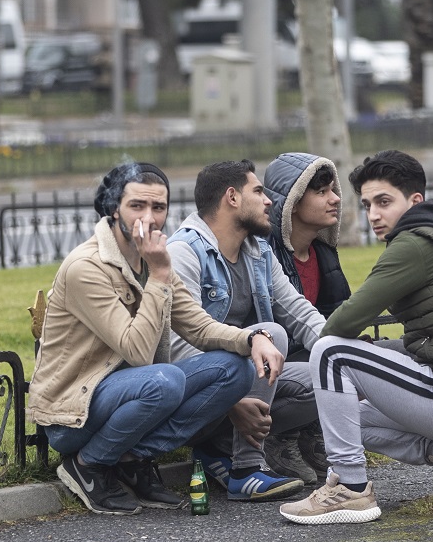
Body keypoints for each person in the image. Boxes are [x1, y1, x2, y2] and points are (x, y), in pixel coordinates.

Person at [279, 150, 433, 525]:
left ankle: (351, 489)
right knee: (345, 417)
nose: (373, 214)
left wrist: (320, 369)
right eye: (368, 204)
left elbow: (342, 325)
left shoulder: (414, 245)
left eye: (384, 202)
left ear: (414, 201)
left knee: (330, 352)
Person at [29, 162, 273, 516]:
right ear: (114, 209)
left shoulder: (152, 261)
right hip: (73, 415)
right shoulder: (87, 267)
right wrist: (159, 274)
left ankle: (130, 460)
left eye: (158, 207)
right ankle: (88, 465)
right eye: (137, 206)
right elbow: (139, 352)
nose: (150, 217)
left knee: (235, 369)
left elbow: (199, 327)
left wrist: (253, 339)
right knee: (165, 379)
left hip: (130, 393)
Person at [166, 160, 329, 494]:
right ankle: (245, 469)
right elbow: (175, 348)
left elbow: (300, 311)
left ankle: (217, 451)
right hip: (191, 389)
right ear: (232, 197)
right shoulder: (183, 253)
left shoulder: (258, 252)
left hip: (240, 381)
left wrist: (343, 355)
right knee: (273, 333)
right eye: (258, 191)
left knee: (326, 379)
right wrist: (230, 403)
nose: (269, 200)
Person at [260, 152, 350, 483]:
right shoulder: (264, 255)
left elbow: (334, 316)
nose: (335, 198)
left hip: (304, 356)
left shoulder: (323, 254)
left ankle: (311, 436)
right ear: (294, 201)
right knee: (326, 364)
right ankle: (279, 436)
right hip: (271, 366)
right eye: (322, 191)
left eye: (333, 189)